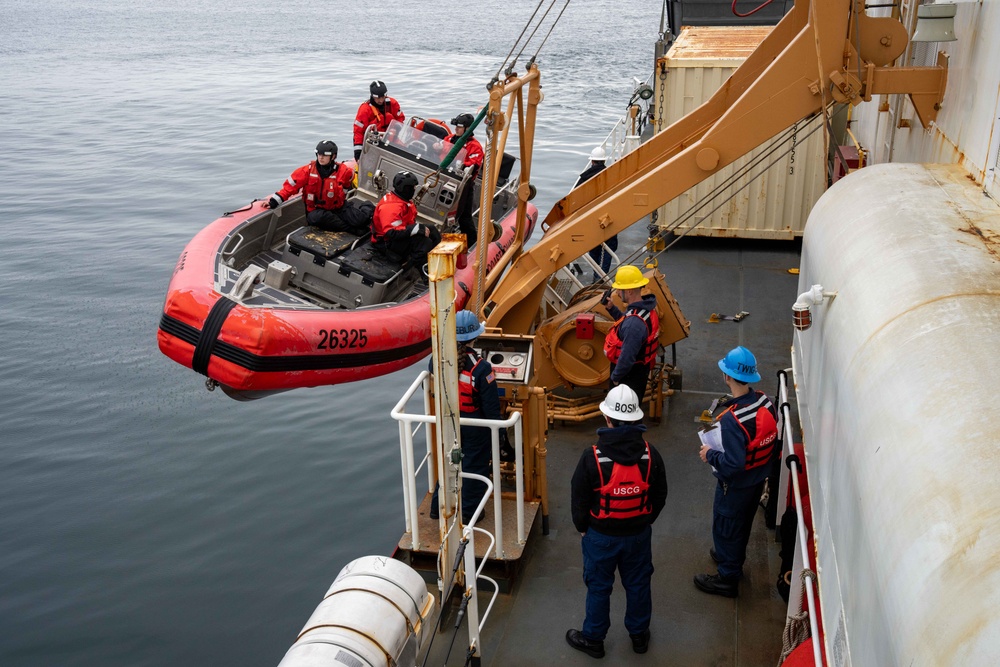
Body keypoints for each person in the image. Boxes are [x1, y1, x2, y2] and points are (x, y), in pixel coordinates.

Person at [566, 384, 668, 659]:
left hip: (600, 537)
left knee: (599, 587)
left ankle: (594, 640)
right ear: (636, 418)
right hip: (638, 535)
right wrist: (645, 520)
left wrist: (583, 529)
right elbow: (660, 494)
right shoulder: (651, 454)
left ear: (607, 419)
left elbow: (579, 500)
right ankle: (639, 636)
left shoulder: (592, 458)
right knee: (638, 583)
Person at [695, 346, 778, 598]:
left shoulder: (732, 420)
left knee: (726, 526)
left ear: (727, 376)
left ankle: (727, 577)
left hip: (735, 486)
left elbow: (732, 463)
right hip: (756, 481)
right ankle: (729, 557)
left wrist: (709, 454)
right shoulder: (766, 402)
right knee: (741, 524)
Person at [429, 310, 513, 523]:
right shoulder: (481, 368)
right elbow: (492, 408)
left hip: (448, 423)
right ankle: (468, 513)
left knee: (449, 464)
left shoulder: (436, 360)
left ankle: (437, 509)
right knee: (475, 467)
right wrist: (501, 435)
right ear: (475, 337)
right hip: (475, 427)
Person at [264, 141, 369, 234]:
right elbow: (288, 188)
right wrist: (273, 202)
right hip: (316, 211)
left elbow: (346, 186)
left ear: (333, 157)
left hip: (337, 207)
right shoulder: (307, 171)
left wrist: (341, 202)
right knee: (318, 219)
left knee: (360, 220)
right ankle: (352, 230)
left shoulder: (344, 171)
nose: (321, 157)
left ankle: (368, 207)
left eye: (324, 155)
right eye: (319, 154)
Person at [601, 265, 660, 405]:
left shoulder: (634, 324)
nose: (618, 294)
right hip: (639, 371)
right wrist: (611, 309)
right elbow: (625, 323)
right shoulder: (646, 310)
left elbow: (627, 357)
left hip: (628, 377)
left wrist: (615, 378)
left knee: (620, 415)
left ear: (628, 291)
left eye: (619, 290)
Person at [371, 171, 441, 268]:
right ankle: (413, 268)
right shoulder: (391, 207)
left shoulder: (401, 200)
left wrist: (415, 228)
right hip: (386, 243)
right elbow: (391, 233)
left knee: (432, 230)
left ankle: (439, 261)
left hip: (399, 234)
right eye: (413, 187)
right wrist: (414, 229)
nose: (414, 190)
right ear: (405, 189)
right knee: (424, 243)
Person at [442, 112, 484, 245]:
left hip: (463, 185)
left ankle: (471, 243)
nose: (456, 129)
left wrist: (458, 165)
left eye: (459, 127)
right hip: (443, 178)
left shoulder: (474, 146)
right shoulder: (448, 139)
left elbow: (474, 164)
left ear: (467, 129)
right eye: (456, 126)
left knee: (463, 217)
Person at [576, 146, 617, 281]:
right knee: (609, 248)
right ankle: (601, 277)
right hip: (608, 218)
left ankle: (596, 274)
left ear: (592, 161)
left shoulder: (584, 178)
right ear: (604, 161)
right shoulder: (612, 175)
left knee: (593, 247)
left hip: (590, 219)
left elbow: (575, 198)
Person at [354, 80, 405, 161]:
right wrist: (358, 153)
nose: (380, 100)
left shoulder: (392, 103)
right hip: (373, 143)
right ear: (372, 96)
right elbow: (358, 132)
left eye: (382, 97)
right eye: (378, 98)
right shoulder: (364, 110)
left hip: (392, 139)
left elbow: (400, 118)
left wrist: (396, 129)